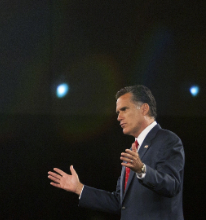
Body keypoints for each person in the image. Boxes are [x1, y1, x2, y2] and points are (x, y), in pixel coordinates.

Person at [48, 85, 184, 219]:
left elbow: (172, 186)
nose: (119, 117)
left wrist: (142, 169)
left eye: (124, 109)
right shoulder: (132, 152)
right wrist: (79, 188)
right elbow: (120, 202)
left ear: (144, 109)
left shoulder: (167, 140)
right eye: (118, 112)